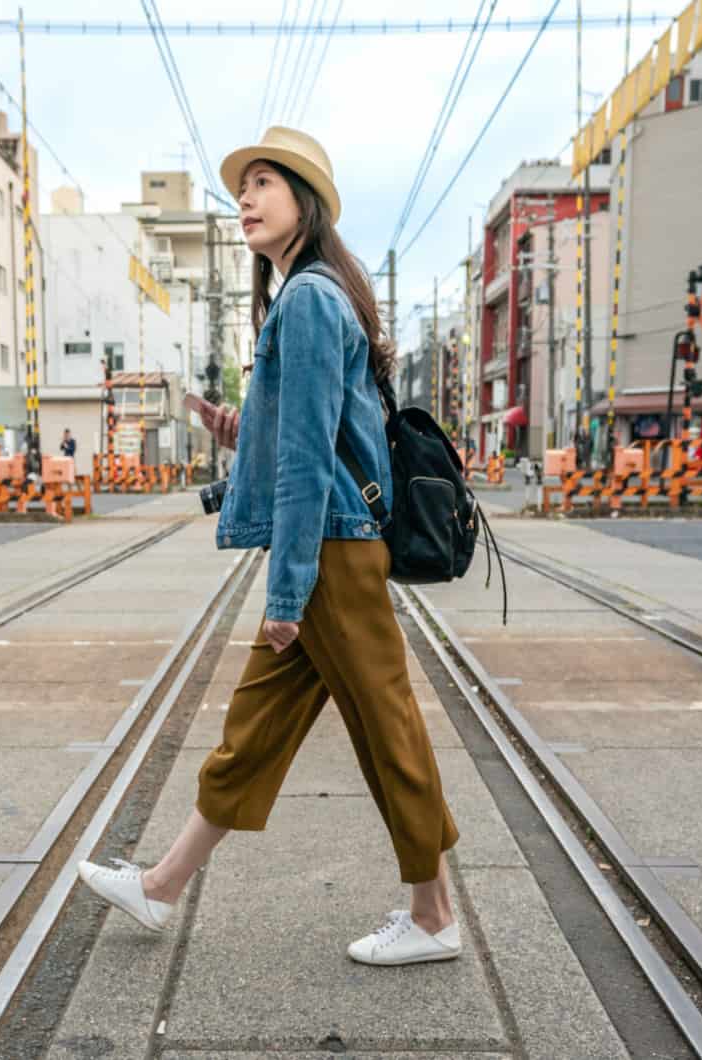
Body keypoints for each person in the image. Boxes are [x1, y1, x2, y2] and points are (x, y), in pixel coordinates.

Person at [78, 127, 462, 967]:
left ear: (305, 200)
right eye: (240, 188)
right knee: (257, 729)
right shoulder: (310, 295)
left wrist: (286, 594)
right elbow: (297, 437)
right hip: (325, 547)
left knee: (387, 730)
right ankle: (162, 886)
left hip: (329, 553)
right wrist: (234, 431)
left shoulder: (312, 300)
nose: (245, 201)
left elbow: (307, 460)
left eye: (263, 184)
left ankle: (434, 918)